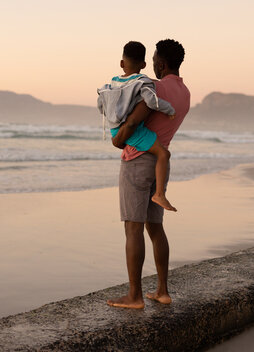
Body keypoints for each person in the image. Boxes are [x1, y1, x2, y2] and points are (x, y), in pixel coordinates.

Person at [106, 39, 191, 309]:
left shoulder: (154, 87)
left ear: (161, 63)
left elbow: (134, 120)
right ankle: (162, 291)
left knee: (133, 228)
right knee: (155, 228)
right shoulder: (185, 93)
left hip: (138, 160)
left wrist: (118, 139)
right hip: (159, 163)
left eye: (154, 59)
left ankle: (135, 296)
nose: (152, 63)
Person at [98, 41, 177, 211]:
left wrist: (113, 119)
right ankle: (159, 194)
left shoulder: (111, 84)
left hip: (115, 128)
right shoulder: (142, 81)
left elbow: (101, 104)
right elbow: (151, 101)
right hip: (133, 129)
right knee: (163, 153)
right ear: (143, 64)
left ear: (121, 63)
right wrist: (169, 109)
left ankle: (159, 195)